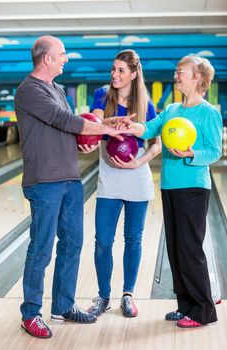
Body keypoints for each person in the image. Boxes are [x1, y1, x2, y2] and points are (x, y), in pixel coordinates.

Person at [14, 35, 128, 339]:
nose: (66, 58)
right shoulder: (28, 90)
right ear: (47, 58)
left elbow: (65, 131)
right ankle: (30, 314)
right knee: (41, 249)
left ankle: (63, 305)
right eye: (62, 54)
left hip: (70, 178)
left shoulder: (58, 89)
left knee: (73, 244)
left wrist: (87, 142)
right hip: (44, 182)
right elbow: (63, 120)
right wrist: (102, 129)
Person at [118, 55, 223, 328]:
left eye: (181, 72)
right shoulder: (172, 108)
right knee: (176, 250)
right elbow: (150, 128)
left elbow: (214, 151)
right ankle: (185, 305)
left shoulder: (208, 112)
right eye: (176, 71)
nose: (176, 75)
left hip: (193, 188)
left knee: (190, 249)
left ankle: (203, 311)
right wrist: (132, 126)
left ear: (199, 78)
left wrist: (191, 153)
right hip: (170, 186)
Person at [86, 50, 161, 318]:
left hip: (136, 176)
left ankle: (127, 295)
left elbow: (156, 145)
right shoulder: (102, 95)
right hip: (109, 177)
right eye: (113, 69)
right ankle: (103, 296)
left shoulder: (146, 105)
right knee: (103, 241)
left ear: (133, 74)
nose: (114, 75)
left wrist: (138, 163)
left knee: (133, 239)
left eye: (120, 70)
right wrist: (112, 123)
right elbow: (94, 124)